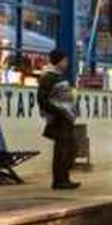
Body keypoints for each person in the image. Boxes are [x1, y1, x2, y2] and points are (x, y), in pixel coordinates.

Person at [37, 50, 79, 189]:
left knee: (68, 148)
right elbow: (42, 99)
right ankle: (60, 180)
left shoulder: (58, 76)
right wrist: (59, 112)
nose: (67, 63)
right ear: (59, 61)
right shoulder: (49, 77)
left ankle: (64, 178)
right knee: (64, 149)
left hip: (66, 117)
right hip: (59, 119)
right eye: (65, 60)